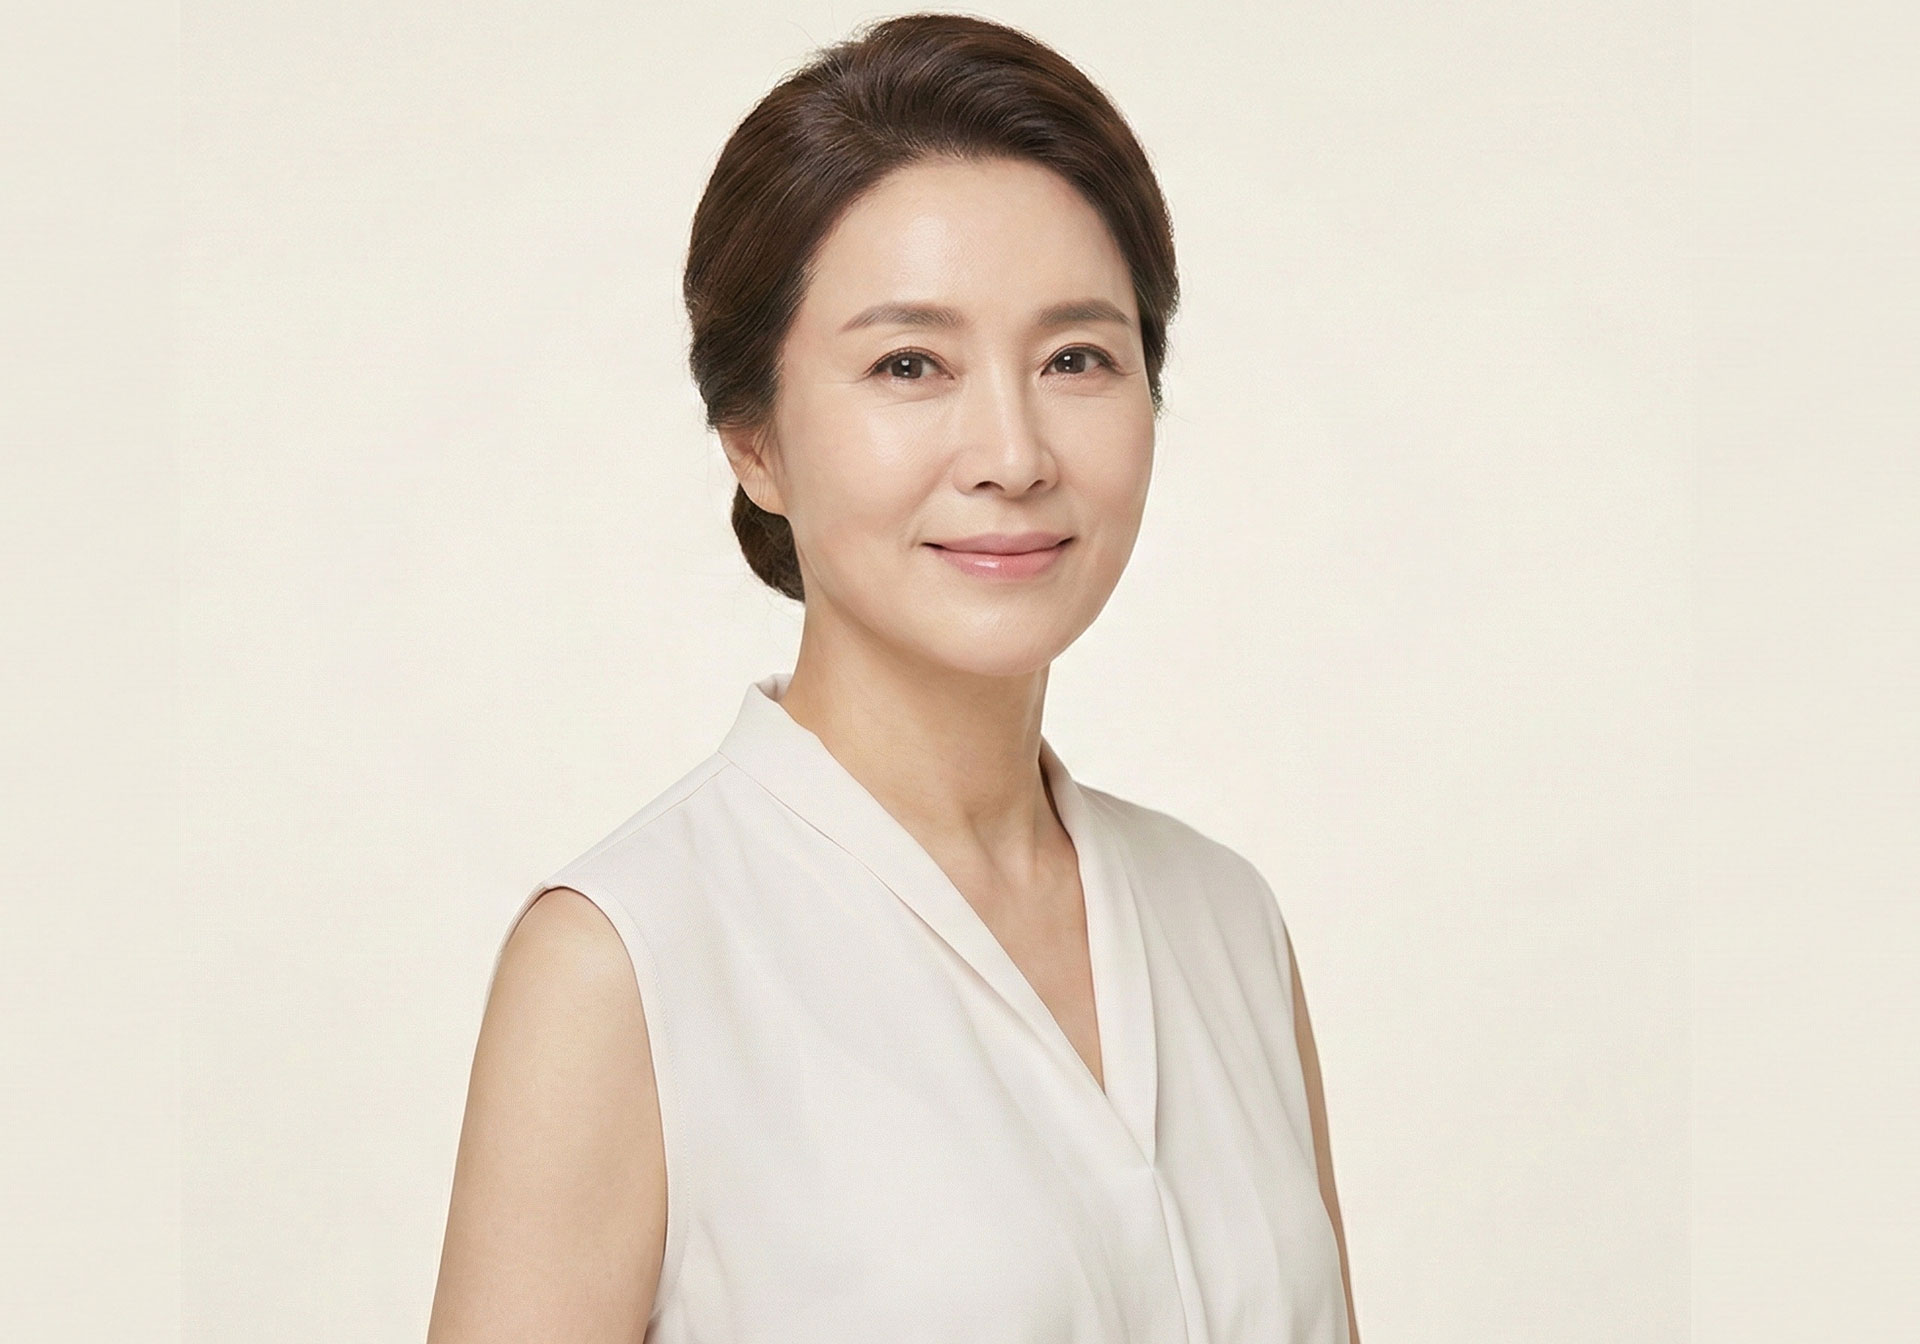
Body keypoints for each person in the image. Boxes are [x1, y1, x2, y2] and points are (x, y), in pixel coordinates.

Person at [428, 13, 1359, 1342]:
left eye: (1077, 358)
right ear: (753, 439)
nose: (1013, 454)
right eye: (909, 364)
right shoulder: (625, 964)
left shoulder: (1223, 920)